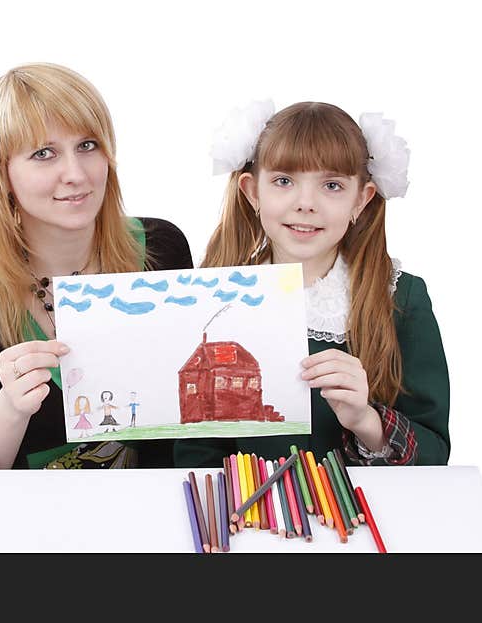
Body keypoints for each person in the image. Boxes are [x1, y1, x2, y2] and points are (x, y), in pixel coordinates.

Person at [0, 63, 193, 469]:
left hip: (160, 515)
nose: (76, 174)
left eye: (87, 145)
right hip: (27, 525)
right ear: (2, 174)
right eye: (44, 153)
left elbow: (195, 431)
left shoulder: (162, 249)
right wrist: (11, 409)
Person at [175, 101, 449, 468]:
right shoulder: (216, 300)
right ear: (253, 192)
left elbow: (434, 453)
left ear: (361, 200)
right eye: (284, 181)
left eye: (332, 185)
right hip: (249, 518)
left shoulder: (400, 298)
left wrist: (366, 420)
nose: (306, 203)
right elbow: (195, 453)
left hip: (362, 518)